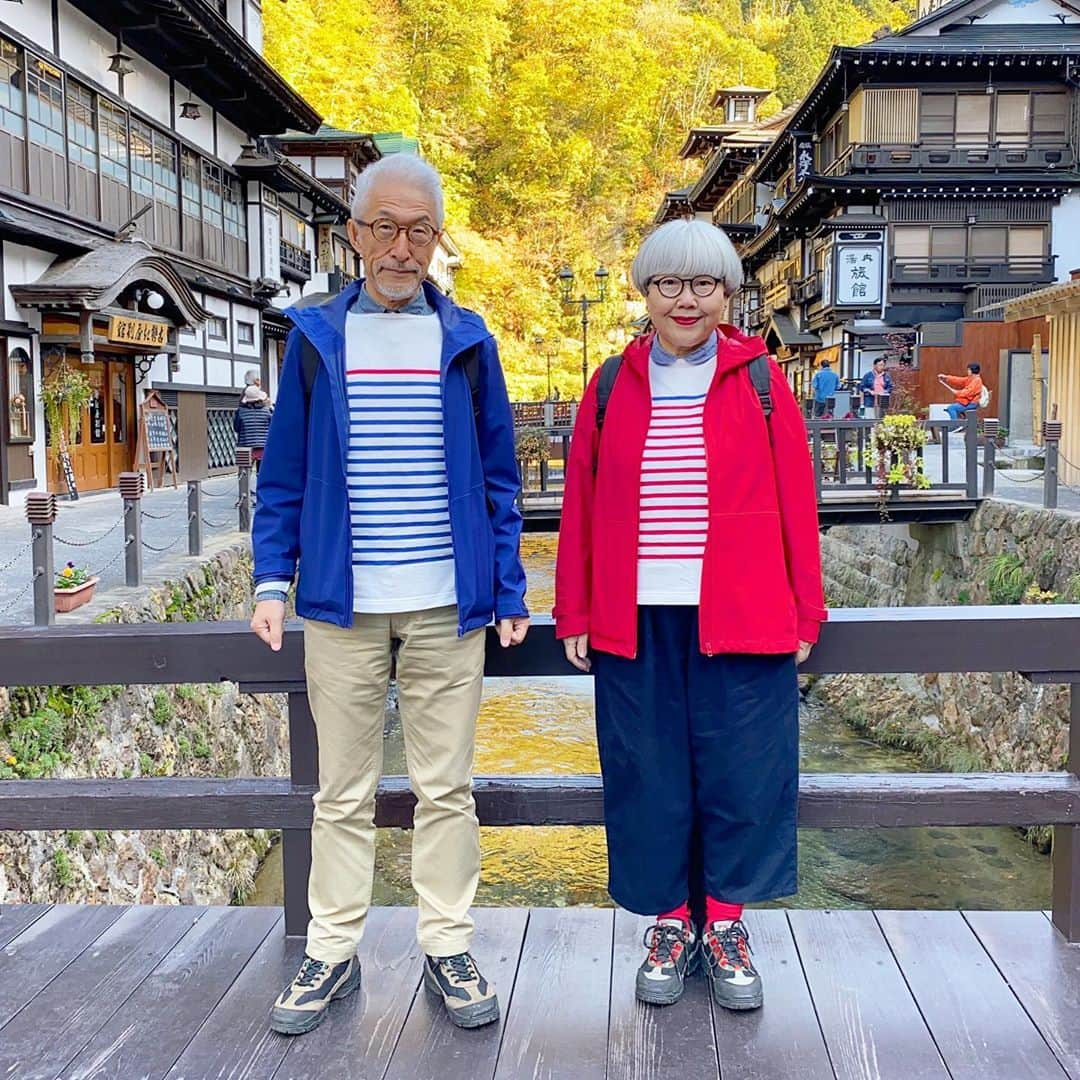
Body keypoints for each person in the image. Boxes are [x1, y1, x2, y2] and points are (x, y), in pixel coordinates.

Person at [250, 154, 530, 1036]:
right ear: (355, 234)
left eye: (419, 230)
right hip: (341, 602)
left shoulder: (470, 343)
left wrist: (509, 585)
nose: (401, 248)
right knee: (342, 791)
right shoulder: (314, 339)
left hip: (450, 603)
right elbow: (285, 473)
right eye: (385, 228)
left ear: (437, 240)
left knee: (448, 788)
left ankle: (446, 943)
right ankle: (331, 951)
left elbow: (498, 480)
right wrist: (271, 578)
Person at [554, 218, 826, 1013]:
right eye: (667, 284)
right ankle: (673, 923)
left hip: (745, 614)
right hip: (636, 619)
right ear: (645, 293)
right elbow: (580, 508)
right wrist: (575, 608)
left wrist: (807, 612)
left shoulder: (763, 385)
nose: (685, 300)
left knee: (744, 774)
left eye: (703, 284)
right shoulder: (610, 387)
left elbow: (795, 508)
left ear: (729, 296)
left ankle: (728, 925)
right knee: (650, 776)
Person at [232, 383, 272, 471]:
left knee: (244, 474)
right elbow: (272, 428)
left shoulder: (241, 412)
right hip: (263, 447)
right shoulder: (267, 411)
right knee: (262, 473)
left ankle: (244, 483)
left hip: (245, 447)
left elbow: (236, 428)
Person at [938, 363, 984, 429]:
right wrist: (946, 377)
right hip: (969, 402)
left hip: (972, 403)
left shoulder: (976, 380)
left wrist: (957, 392)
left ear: (972, 371)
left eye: (968, 370)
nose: (968, 371)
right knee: (953, 407)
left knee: (951, 408)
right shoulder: (972, 378)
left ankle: (954, 426)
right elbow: (959, 380)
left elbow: (968, 392)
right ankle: (957, 424)